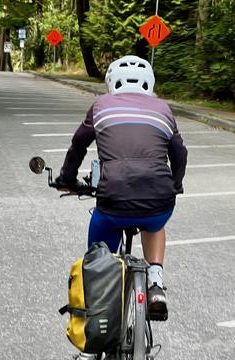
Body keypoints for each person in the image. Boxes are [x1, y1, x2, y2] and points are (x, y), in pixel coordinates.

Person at [55, 55, 188, 325]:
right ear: (149, 83)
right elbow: (179, 152)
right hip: (159, 198)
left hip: (113, 200)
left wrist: (67, 178)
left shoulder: (101, 105)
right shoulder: (163, 109)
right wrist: (175, 183)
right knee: (155, 221)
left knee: (100, 250)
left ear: (111, 82)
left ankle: (98, 313)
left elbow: (78, 145)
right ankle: (155, 283)